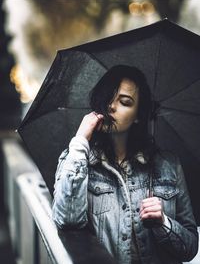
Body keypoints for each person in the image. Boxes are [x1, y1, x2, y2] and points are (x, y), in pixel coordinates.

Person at [52, 65, 198, 264]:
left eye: (125, 102)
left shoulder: (168, 166)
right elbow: (66, 219)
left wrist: (163, 223)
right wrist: (80, 141)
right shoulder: (77, 159)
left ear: (138, 116)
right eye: (108, 98)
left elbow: (190, 249)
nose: (111, 106)